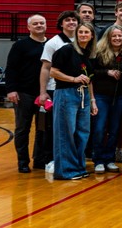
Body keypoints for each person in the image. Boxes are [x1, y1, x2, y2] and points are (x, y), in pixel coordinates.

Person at [49, 22, 98, 180]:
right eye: (80, 32)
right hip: (66, 93)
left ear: (91, 36)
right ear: (76, 34)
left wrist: (93, 100)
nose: (83, 35)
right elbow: (53, 72)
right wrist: (73, 79)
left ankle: (78, 167)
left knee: (83, 133)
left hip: (83, 95)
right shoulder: (66, 50)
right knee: (65, 132)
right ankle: (65, 171)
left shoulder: (88, 54)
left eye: (86, 32)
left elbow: (89, 80)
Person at [38, 10, 80, 173]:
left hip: (77, 90)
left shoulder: (82, 40)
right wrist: (43, 92)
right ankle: (52, 159)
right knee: (55, 128)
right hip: (56, 90)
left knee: (74, 129)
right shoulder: (53, 43)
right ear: (61, 24)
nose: (71, 22)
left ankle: (72, 159)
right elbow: (45, 68)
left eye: (74, 20)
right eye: (67, 20)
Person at [5, 14, 48, 173]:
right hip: (24, 94)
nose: (39, 26)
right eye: (35, 23)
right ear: (28, 27)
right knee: (23, 129)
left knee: (42, 128)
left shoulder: (51, 44)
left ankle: (39, 159)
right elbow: (11, 69)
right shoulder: (20, 45)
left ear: (46, 25)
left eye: (41, 23)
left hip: (44, 95)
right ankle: (23, 161)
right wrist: (11, 89)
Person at [89, 24, 122, 173]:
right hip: (101, 95)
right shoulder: (99, 52)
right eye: (114, 36)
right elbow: (92, 72)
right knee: (100, 128)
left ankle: (109, 158)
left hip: (120, 96)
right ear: (108, 37)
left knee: (115, 129)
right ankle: (98, 160)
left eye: (120, 36)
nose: (117, 38)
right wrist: (108, 72)